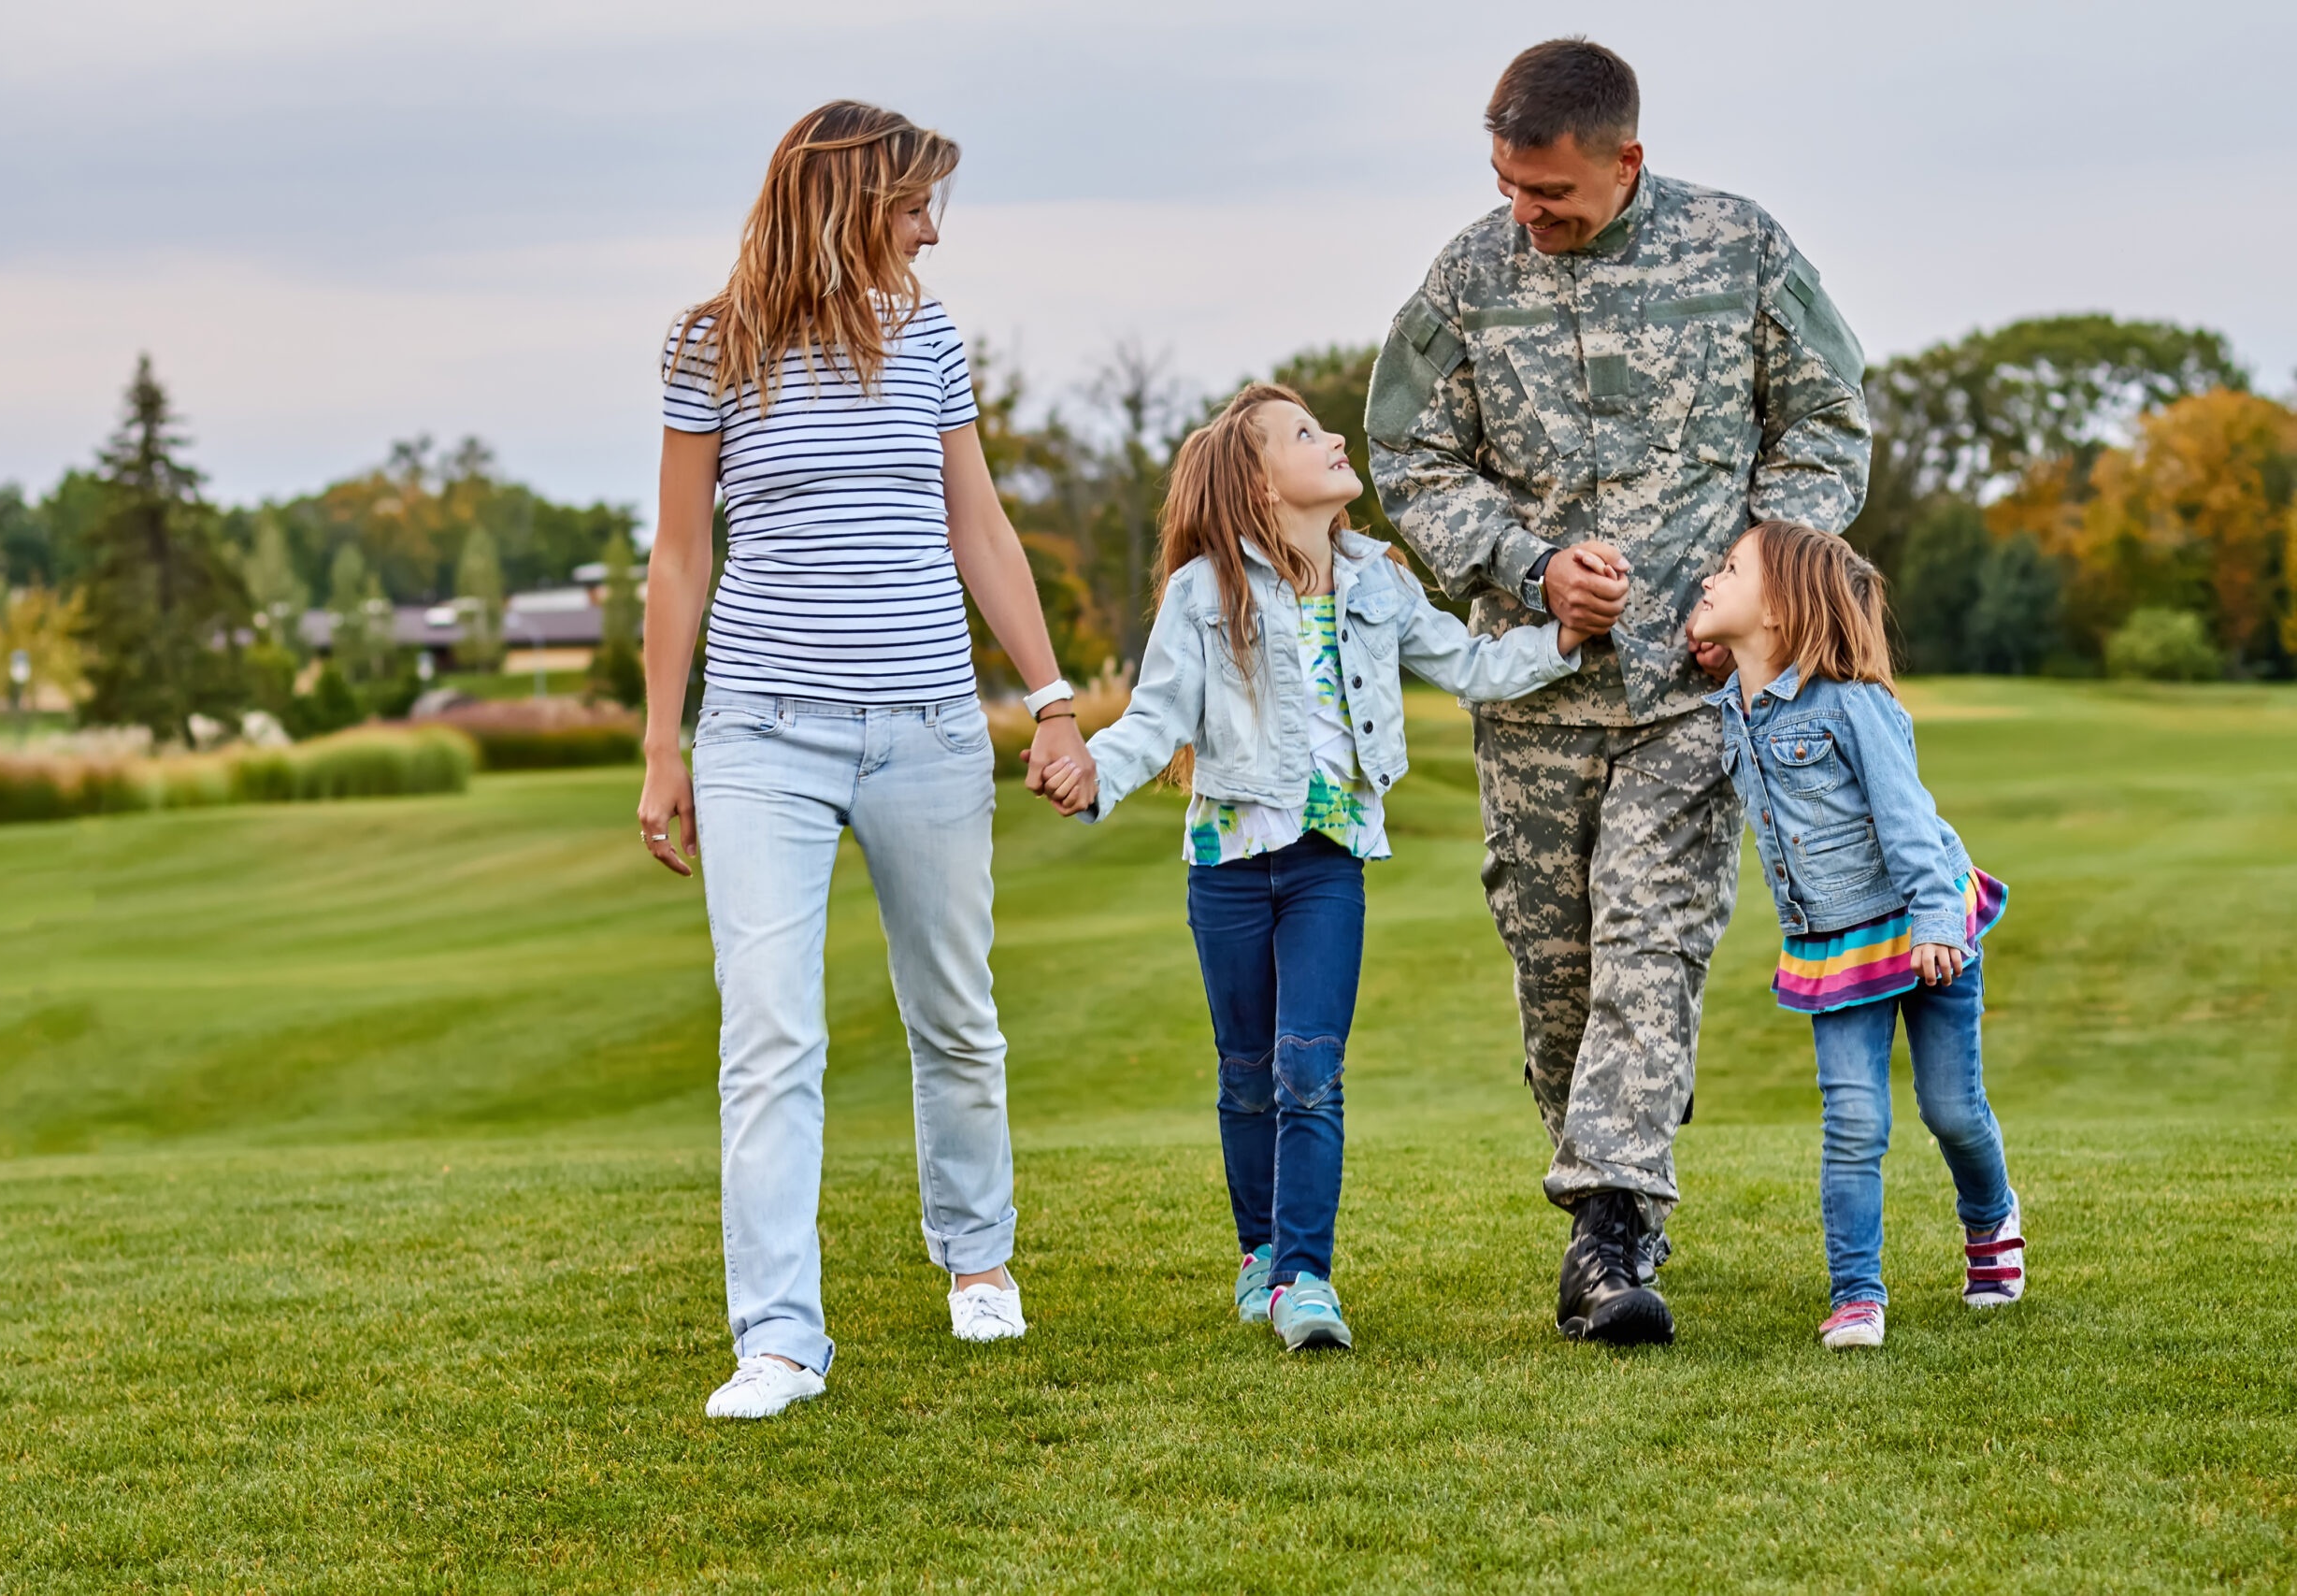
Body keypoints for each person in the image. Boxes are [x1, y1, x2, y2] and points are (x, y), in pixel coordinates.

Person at [1364, 36, 1873, 1344]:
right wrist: (1529, 565)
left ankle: (1610, 1229)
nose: (1527, 217)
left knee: (1652, 942)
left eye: (1554, 196)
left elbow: (1827, 424)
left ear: (1626, 161)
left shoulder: (1742, 251)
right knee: (1558, 975)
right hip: (1533, 697)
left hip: (1691, 694)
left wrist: (1754, 581)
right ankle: (1611, 1166)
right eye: (1510, 188)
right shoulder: (1468, 280)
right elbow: (1406, 455)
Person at [638, 101, 1098, 1420]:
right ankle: (778, 1336)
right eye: (913, 207)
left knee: (954, 1011)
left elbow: (981, 527)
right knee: (768, 1028)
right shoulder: (707, 345)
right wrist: (660, 741)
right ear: (845, 200)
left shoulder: (931, 337)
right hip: (760, 737)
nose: (932, 231)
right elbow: (680, 556)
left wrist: (1052, 697)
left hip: (928, 729)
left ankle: (979, 1258)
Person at [1037, 383, 1591, 1351]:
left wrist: (1563, 642)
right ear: (1257, 483)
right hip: (1228, 863)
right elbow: (1157, 717)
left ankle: (1304, 1278)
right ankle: (1258, 1251)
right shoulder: (1203, 592)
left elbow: (1467, 664)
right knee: (1247, 1073)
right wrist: (1092, 777)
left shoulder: (1375, 576)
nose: (1334, 438)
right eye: (1304, 434)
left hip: (1329, 860)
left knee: (1308, 1070)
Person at [1689, 522, 2022, 1348]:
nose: (1707, 576)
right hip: (1833, 944)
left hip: (1922, 923)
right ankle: (1857, 1294)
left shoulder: (1852, 703)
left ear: (1778, 613)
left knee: (1951, 1109)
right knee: (1853, 1119)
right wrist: (1719, 654)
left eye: (1730, 569)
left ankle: (1991, 1221)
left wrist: (1940, 921)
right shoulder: (1733, 706)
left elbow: (1908, 820)